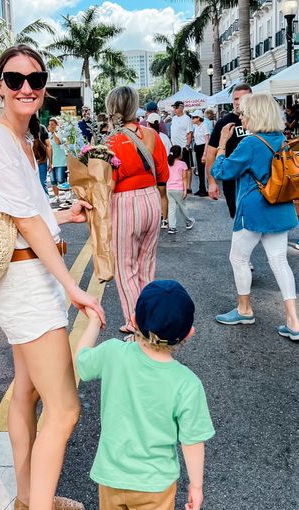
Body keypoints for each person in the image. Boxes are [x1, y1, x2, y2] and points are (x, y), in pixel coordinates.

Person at [0, 44, 105, 510]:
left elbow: (28, 213)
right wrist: (74, 285)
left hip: (30, 279)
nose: (26, 86)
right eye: (15, 78)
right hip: (29, 286)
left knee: (27, 390)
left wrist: (63, 214)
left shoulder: (22, 141)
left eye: (35, 78)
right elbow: (25, 224)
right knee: (66, 407)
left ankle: (30, 497)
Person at [75, 280, 215, 510]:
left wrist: (94, 321)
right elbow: (192, 441)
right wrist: (196, 485)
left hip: (111, 471)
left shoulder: (113, 353)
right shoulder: (187, 384)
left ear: (134, 322)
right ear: (188, 334)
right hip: (155, 483)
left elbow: (82, 362)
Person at [210, 93, 299, 339]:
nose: (242, 117)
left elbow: (222, 171)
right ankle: (293, 321)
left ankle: (244, 309)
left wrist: (222, 144)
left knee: (238, 259)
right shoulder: (281, 138)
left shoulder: (250, 143)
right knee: (280, 262)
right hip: (280, 207)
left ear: (255, 115)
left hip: (253, 210)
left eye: (245, 113)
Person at [106, 86, 169, 334]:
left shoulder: (112, 140)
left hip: (124, 202)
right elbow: (162, 173)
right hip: (151, 198)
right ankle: (148, 318)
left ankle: (136, 322)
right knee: (146, 266)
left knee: (125, 268)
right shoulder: (151, 134)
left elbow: (108, 181)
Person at [207, 83, 252, 218]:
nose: (238, 103)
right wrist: (212, 182)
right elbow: (211, 154)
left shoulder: (261, 121)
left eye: (243, 98)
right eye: (236, 99)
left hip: (257, 180)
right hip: (233, 181)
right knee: (239, 219)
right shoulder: (223, 124)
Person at [146, 113, 171, 229]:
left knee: (151, 196)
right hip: (163, 169)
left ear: (148, 123)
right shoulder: (165, 137)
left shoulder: (147, 136)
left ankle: (154, 219)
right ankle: (165, 220)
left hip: (151, 171)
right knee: (163, 195)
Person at [166, 145, 195, 235]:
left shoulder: (167, 163)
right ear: (179, 154)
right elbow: (184, 178)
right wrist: (185, 190)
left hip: (169, 188)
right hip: (178, 189)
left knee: (171, 208)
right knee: (182, 206)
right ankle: (188, 221)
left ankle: (172, 227)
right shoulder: (182, 164)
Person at [170, 101, 193, 193]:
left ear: (181, 107)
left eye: (175, 108)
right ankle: (180, 184)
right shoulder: (174, 118)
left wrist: (187, 145)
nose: (174, 110)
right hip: (175, 146)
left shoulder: (187, 119)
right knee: (176, 166)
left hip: (183, 146)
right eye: (174, 108)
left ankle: (188, 186)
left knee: (187, 167)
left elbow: (189, 133)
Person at [29, 116, 52, 197]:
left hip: (32, 162)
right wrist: (50, 163)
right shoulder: (42, 128)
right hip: (41, 160)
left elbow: (49, 146)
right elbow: (49, 146)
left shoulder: (22, 129)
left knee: (33, 185)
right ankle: (46, 205)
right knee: (42, 183)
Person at [47, 117, 68, 204]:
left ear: (57, 125)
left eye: (52, 124)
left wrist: (53, 132)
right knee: (53, 181)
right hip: (52, 162)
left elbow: (58, 142)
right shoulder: (48, 135)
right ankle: (56, 197)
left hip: (61, 162)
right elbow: (48, 148)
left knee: (61, 180)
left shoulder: (62, 134)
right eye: (49, 124)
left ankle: (67, 197)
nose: (50, 126)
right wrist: (49, 162)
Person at [190, 110, 209, 197]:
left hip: (203, 148)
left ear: (198, 118)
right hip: (198, 147)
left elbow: (207, 141)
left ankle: (204, 189)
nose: (192, 119)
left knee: (203, 170)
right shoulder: (196, 126)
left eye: (194, 117)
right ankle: (201, 188)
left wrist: (205, 153)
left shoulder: (204, 126)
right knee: (199, 170)